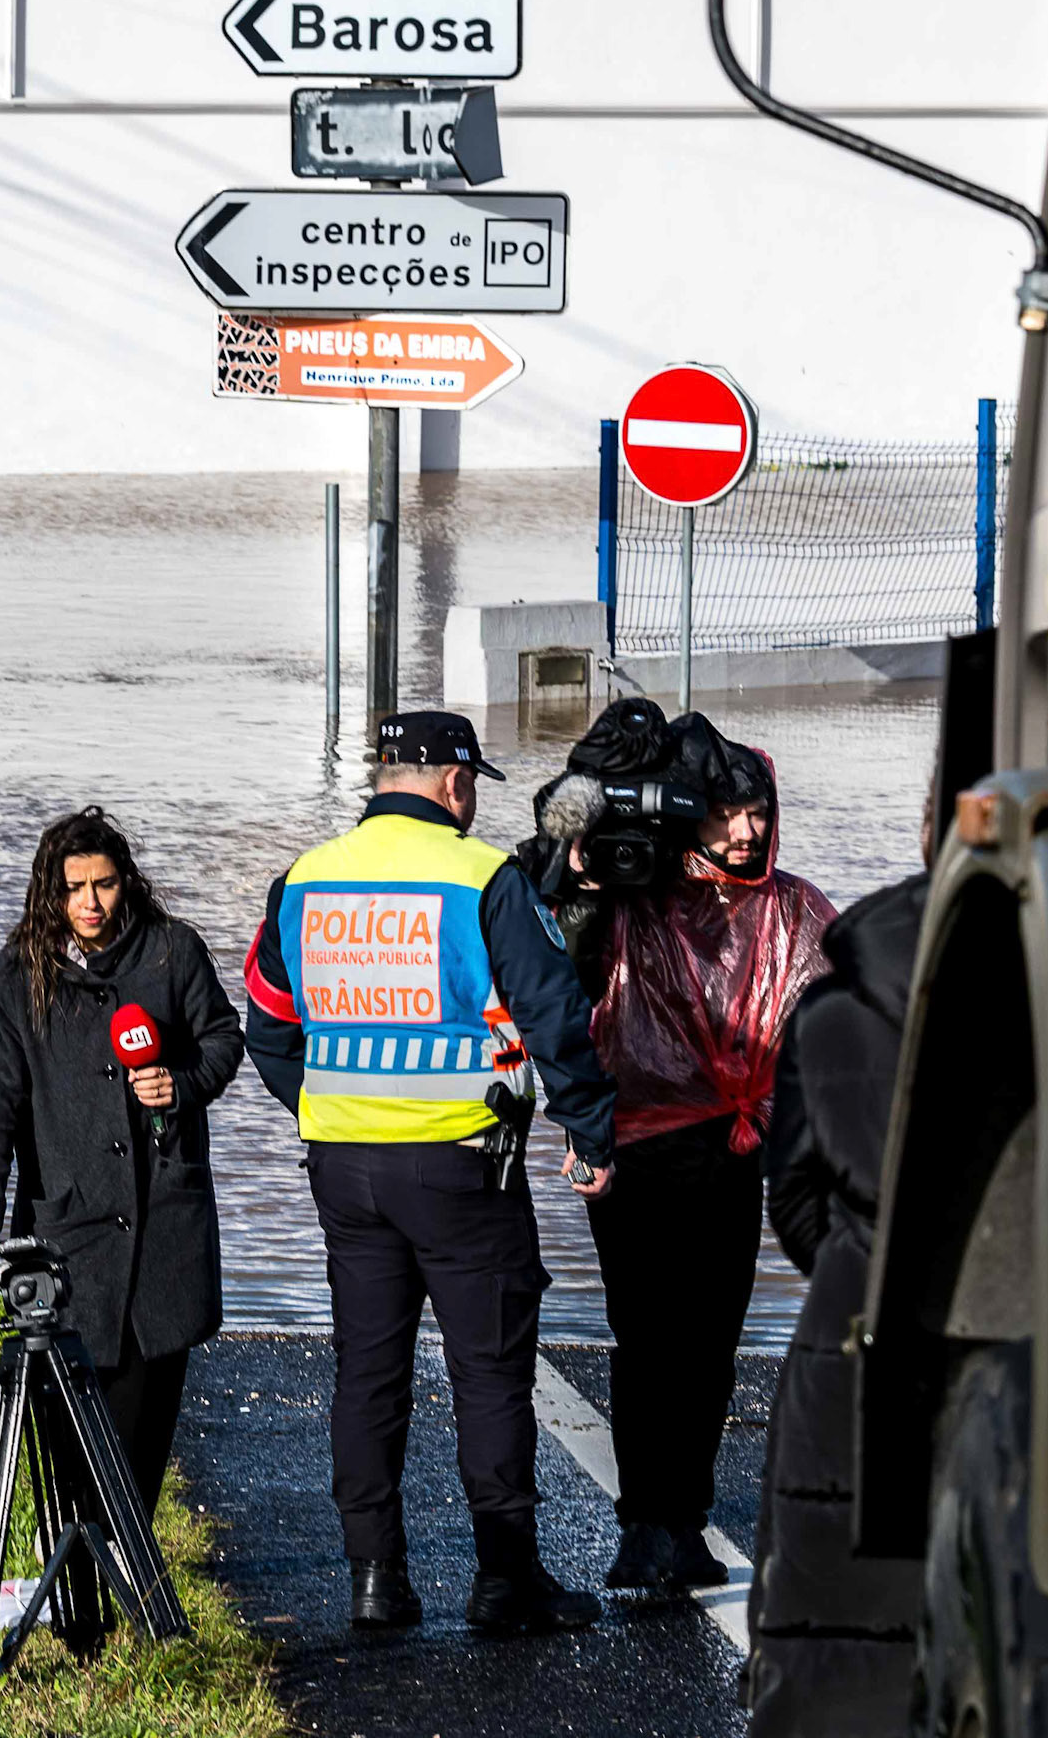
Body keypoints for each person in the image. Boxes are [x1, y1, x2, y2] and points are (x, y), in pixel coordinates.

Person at [244, 711, 619, 1636]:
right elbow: (553, 1013)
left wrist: (321, 1105)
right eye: (473, 784)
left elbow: (265, 1018)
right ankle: (504, 1584)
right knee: (489, 1374)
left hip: (344, 1168)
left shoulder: (303, 878)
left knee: (368, 1373)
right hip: (461, 1167)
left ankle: (376, 1582)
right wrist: (590, 1130)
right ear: (454, 784)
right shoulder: (480, 876)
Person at [532, 700, 835, 1593]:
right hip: (637, 1146)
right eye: (724, 814)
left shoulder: (792, 909)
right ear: (685, 814)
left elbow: (835, 1017)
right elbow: (553, 921)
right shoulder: (635, 897)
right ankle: (644, 1523)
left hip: (735, 1150)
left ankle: (682, 1520)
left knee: (710, 1342)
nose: (744, 832)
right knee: (647, 1336)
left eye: (758, 815)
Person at [0, 805, 244, 1516]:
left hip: (163, 1224)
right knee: (68, 1422)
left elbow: (223, 1041)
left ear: (126, 883)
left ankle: (131, 1570)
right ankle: (78, 1583)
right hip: (68, 1224)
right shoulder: (20, 974)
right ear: (50, 891)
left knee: (143, 1422)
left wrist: (180, 1082)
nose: (89, 902)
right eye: (73, 887)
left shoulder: (171, 951)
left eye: (104, 884)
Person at [742, 817, 930, 1735]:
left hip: (860, 1327)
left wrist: (860, 1265)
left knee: (827, 1619)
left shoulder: (835, 1007)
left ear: (931, 833)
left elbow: (796, 1200)